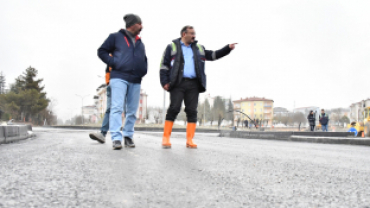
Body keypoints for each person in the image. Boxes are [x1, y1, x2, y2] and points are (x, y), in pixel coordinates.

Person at [159, 25, 237, 149]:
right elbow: (164, 66)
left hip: (193, 84)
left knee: (192, 111)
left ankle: (190, 140)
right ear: (184, 34)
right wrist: (164, 82)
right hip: (177, 83)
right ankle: (166, 138)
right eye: (191, 33)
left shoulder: (199, 48)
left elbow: (213, 55)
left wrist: (227, 48)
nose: (194, 36)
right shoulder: (172, 47)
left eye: (194, 33)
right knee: (174, 108)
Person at [98, 14, 147, 150]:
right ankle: (116, 138)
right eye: (139, 23)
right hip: (119, 76)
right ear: (132, 24)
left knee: (132, 110)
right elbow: (101, 51)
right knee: (117, 107)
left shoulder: (139, 42)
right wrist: (114, 62)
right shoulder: (115, 37)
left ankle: (128, 136)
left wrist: (143, 70)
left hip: (136, 79)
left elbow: (144, 58)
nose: (142, 26)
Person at [89, 65, 111, 143]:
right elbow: (108, 68)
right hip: (111, 84)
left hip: (125, 83)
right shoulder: (112, 54)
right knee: (109, 109)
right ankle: (102, 134)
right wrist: (108, 82)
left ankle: (128, 136)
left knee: (127, 109)